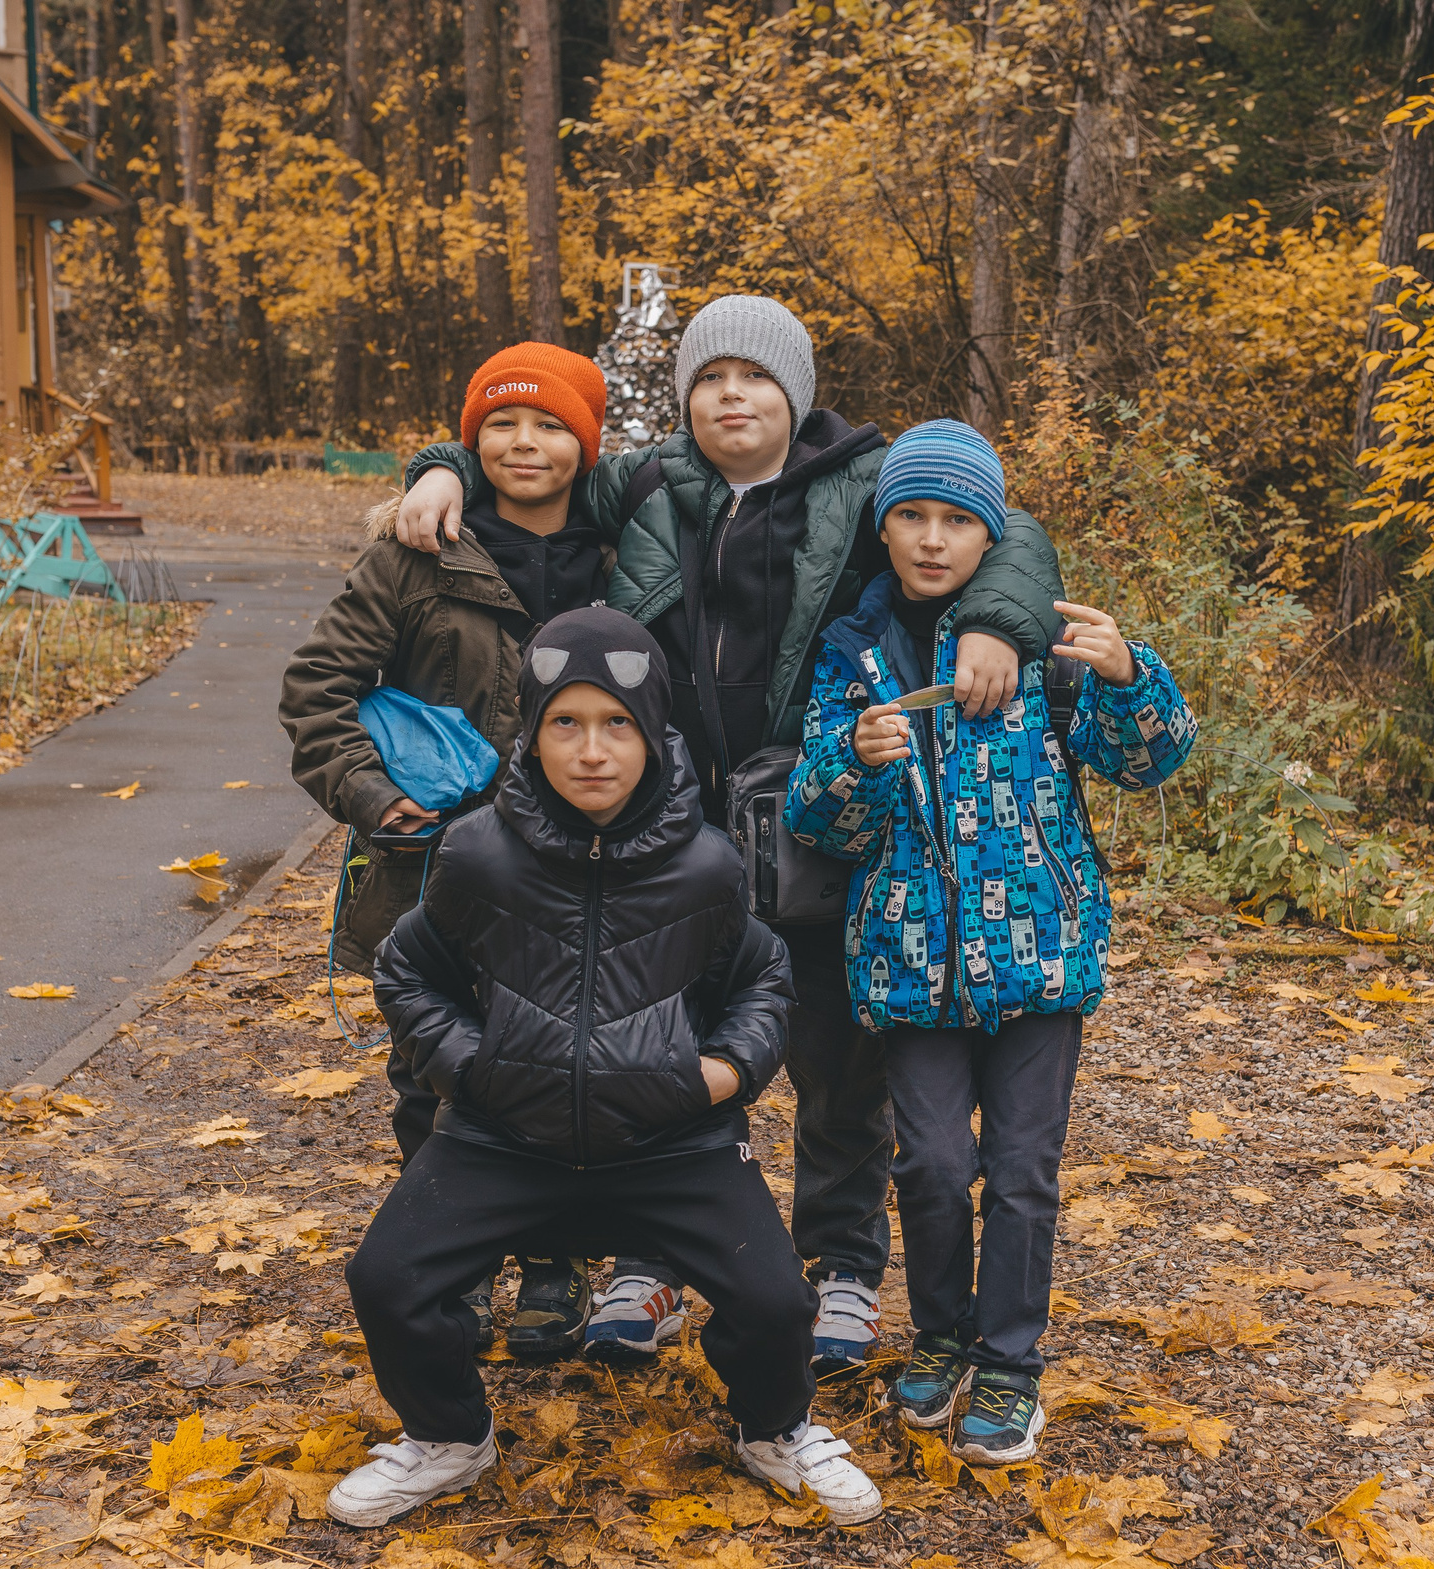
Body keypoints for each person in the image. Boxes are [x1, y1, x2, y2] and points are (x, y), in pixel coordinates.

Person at [391, 296, 1068, 1374]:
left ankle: (839, 1264)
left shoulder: (862, 482)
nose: (731, 396)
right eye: (709, 378)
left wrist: (995, 619)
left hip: (822, 814)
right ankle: (654, 1258)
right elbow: (533, 459)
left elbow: (1002, 524)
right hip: (675, 829)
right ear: (685, 399)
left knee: (836, 1062)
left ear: (794, 394)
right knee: (663, 1039)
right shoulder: (649, 482)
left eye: (754, 376)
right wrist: (441, 469)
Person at [332, 606, 883, 1529]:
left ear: (653, 732)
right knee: (386, 1278)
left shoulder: (707, 864)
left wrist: (719, 1075)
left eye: (617, 723)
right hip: (504, 1133)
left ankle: (775, 1428)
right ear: (532, 732)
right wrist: (474, 1069)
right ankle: (448, 1436)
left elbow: (764, 980)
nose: (592, 750)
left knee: (777, 1300)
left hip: (671, 1140)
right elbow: (407, 970)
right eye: (566, 723)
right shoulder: (477, 854)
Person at [784, 420, 1197, 1465]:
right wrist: (853, 760)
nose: (933, 540)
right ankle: (940, 1335)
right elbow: (815, 819)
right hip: (908, 964)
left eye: (957, 521)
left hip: (1039, 958)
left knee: (1021, 1169)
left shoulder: (1042, 649)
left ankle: (1010, 1363)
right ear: (884, 530)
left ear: (990, 533)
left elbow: (1149, 760)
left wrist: (1126, 673)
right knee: (929, 1164)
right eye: (912, 518)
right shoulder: (852, 651)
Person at [281, 341, 617, 1359]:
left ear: (586, 443)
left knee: (567, 1070)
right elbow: (317, 689)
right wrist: (372, 797)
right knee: (434, 1074)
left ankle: (557, 1260)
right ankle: (455, 1258)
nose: (525, 443)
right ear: (471, 442)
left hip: (583, 868)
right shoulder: (417, 553)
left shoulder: (627, 552)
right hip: (438, 870)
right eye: (500, 424)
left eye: (550, 424)